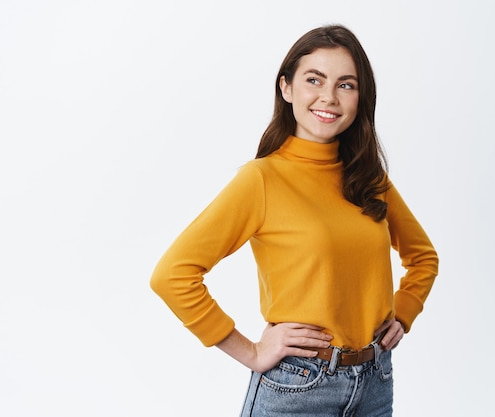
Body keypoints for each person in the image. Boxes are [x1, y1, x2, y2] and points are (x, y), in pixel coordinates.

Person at [150, 24, 438, 416]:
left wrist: (403, 312)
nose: (329, 97)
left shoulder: (370, 179)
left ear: (360, 98)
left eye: (346, 85)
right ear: (286, 88)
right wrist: (250, 351)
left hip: (374, 381)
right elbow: (172, 275)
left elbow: (423, 257)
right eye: (314, 79)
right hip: (298, 386)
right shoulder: (262, 180)